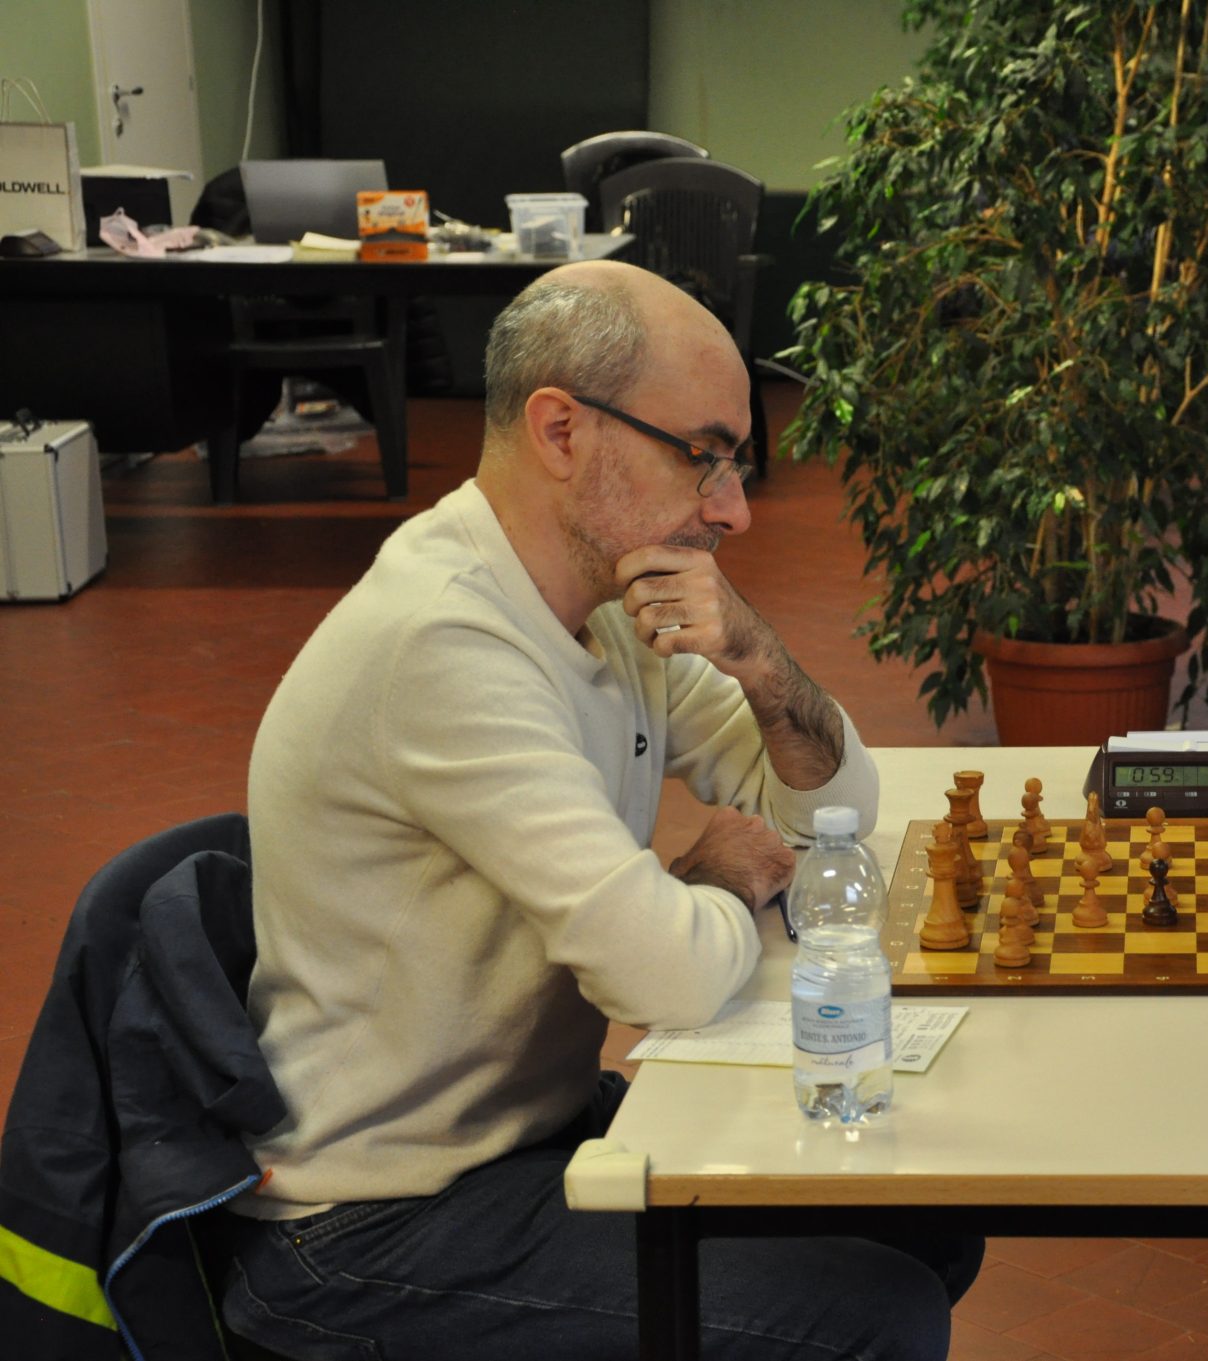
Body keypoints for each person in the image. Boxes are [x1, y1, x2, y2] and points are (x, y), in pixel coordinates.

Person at [216, 260, 981, 1359]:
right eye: (705, 455)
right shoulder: (445, 642)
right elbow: (659, 976)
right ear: (562, 431)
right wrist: (708, 877)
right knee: (877, 1314)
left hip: (524, 1135)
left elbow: (836, 814)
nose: (735, 507)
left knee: (927, 1220)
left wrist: (758, 655)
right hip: (371, 1222)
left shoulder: (611, 603)